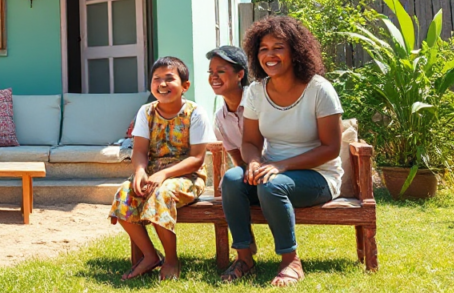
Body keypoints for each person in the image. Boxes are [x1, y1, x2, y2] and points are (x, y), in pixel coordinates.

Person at [220, 16, 344, 287]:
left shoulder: (319, 89)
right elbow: (250, 142)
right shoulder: (256, 91)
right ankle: (244, 257)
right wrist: (253, 163)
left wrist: (281, 166)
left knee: (271, 186)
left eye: (278, 47)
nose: (270, 55)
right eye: (263, 49)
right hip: (272, 173)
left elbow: (331, 148)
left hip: (318, 176)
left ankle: (290, 261)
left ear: (296, 51)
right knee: (231, 180)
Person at [109, 56, 211, 281]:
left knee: (161, 194)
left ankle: (172, 259)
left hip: (187, 176)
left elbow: (196, 158)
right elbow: (139, 151)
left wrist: (163, 174)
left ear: (185, 86)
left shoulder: (195, 113)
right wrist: (139, 172)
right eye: (157, 79)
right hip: (153, 173)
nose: (162, 84)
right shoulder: (146, 112)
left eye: (169, 79)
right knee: (124, 194)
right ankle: (150, 256)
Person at [207, 45, 250, 167]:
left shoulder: (258, 103)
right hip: (249, 174)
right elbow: (238, 161)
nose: (214, 77)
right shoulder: (220, 117)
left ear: (240, 74)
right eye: (210, 72)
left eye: (221, 71)